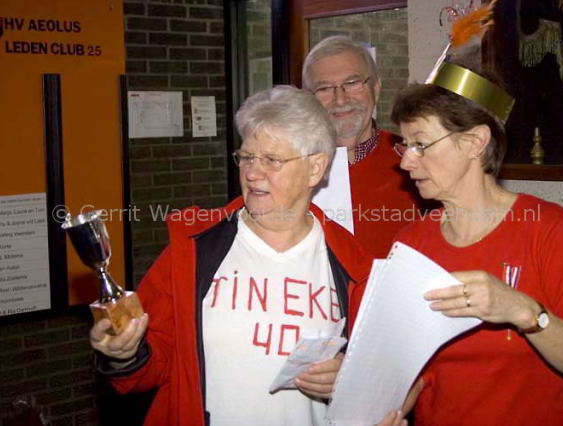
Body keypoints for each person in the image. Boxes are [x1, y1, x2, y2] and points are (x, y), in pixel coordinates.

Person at [89, 86, 374, 425]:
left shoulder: (353, 266)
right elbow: (155, 359)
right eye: (247, 157)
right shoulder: (195, 249)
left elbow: (380, 372)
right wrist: (124, 355)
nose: (252, 172)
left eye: (272, 160)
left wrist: (349, 378)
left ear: (315, 168)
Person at [389, 62, 563, 425]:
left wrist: (523, 311)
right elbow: (409, 368)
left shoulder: (548, 228)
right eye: (405, 145)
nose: (406, 162)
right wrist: (386, 406)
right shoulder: (411, 242)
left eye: (420, 144)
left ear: (475, 142)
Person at [303, 36, 420, 258]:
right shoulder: (290, 168)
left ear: (376, 88)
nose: (340, 99)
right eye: (324, 88)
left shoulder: (415, 162)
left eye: (352, 83)